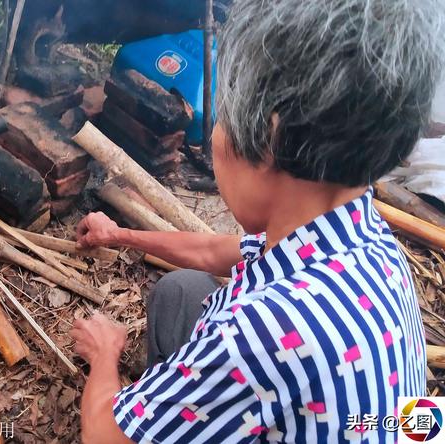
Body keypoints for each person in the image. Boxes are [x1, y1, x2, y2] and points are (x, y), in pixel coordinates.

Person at [70, 0, 445, 442]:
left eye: (222, 117)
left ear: (267, 138)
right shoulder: (362, 235)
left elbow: (104, 437)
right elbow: (214, 251)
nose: (213, 136)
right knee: (183, 290)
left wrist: (105, 354)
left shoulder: (265, 333)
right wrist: (120, 234)